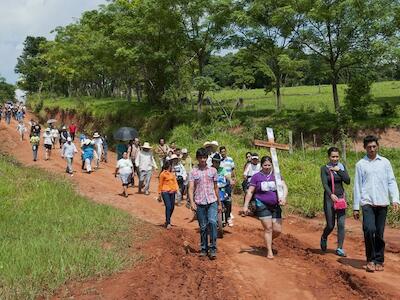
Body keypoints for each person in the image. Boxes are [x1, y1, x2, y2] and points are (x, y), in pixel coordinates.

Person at [353, 135, 399, 272]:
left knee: (379, 233)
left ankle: (378, 260)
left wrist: (395, 199)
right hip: (367, 203)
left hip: (382, 202)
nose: (372, 149)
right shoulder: (360, 164)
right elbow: (357, 186)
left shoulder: (385, 163)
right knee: (369, 229)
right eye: (369, 147)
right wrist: (356, 207)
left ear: (377, 146)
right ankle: (370, 259)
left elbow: (391, 181)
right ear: (364, 148)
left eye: (374, 146)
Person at [242, 156, 288, 259]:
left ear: (272, 165)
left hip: (275, 205)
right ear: (261, 165)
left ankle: (269, 240)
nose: (267, 167)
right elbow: (250, 191)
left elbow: (284, 187)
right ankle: (269, 251)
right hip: (261, 204)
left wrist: (284, 197)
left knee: (277, 230)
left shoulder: (277, 176)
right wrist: (245, 205)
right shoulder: (256, 177)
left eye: (269, 165)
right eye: (265, 165)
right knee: (268, 228)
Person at [188, 148, 222, 260]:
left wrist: (219, 203)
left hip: (212, 201)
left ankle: (212, 249)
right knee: (202, 227)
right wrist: (192, 202)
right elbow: (191, 188)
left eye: (204, 157)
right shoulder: (193, 172)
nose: (203, 160)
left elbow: (216, 188)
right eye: (201, 157)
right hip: (200, 202)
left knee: (212, 223)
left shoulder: (213, 171)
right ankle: (203, 248)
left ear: (207, 158)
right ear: (197, 158)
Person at [320, 147, 350, 257]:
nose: (335, 158)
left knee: (341, 224)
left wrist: (339, 171)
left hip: (340, 198)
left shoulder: (341, 167)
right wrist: (331, 194)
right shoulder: (324, 168)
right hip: (329, 198)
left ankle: (340, 248)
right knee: (330, 225)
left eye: (337, 156)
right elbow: (324, 184)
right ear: (329, 157)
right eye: (333, 156)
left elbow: (347, 181)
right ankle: (324, 236)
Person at [212, 153, 233, 227]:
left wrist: (230, 180)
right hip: (212, 190)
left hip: (222, 189)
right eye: (215, 162)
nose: (216, 163)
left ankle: (228, 217)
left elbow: (227, 176)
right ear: (212, 162)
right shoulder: (210, 170)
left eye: (218, 162)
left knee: (228, 201)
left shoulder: (222, 169)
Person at [158, 160, 179, 229]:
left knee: (172, 207)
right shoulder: (162, 174)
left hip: (172, 192)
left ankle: (167, 219)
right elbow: (160, 184)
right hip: (165, 192)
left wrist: (177, 190)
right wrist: (159, 194)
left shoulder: (172, 174)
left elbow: (175, 182)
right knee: (168, 206)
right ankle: (168, 222)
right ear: (169, 166)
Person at [220, 146, 236, 225]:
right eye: (221, 152)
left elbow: (232, 170)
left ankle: (229, 215)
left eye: (224, 151)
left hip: (228, 182)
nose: (223, 153)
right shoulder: (219, 161)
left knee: (228, 198)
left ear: (226, 151)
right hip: (220, 183)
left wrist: (233, 178)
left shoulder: (230, 159)